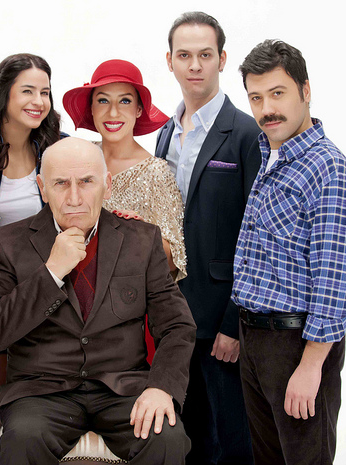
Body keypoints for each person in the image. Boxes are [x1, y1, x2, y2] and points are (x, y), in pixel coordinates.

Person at [0, 137, 196, 464]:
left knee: (166, 437)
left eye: (86, 182)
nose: (74, 198)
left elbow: (177, 326)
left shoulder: (142, 239)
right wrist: (52, 271)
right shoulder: (7, 243)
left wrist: (161, 388)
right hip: (41, 393)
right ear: (42, 188)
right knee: (23, 438)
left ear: (106, 185)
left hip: (123, 390)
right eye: (61, 183)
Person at [233, 39, 346, 465]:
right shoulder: (272, 156)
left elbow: (336, 277)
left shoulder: (328, 170)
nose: (267, 109)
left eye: (278, 93)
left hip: (297, 345)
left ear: (305, 91)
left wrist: (311, 366)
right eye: (256, 98)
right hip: (255, 339)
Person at [154, 11, 260, 464]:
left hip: (221, 320)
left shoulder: (247, 134)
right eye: (184, 55)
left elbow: (258, 236)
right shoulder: (163, 135)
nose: (194, 65)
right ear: (170, 61)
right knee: (189, 442)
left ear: (222, 59)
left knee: (233, 443)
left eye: (204, 55)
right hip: (172, 318)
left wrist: (234, 323)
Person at [0, 53, 61, 462]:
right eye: (28, 91)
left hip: (51, 295)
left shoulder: (55, 147)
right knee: (6, 405)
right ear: (3, 94)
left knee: (44, 406)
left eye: (45, 92)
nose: (38, 101)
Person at [62, 58, 186, 364]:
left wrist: (138, 235)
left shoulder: (155, 172)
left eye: (125, 101)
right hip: (71, 308)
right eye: (103, 100)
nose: (113, 112)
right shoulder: (76, 159)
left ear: (139, 109)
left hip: (130, 314)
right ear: (91, 108)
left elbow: (176, 256)